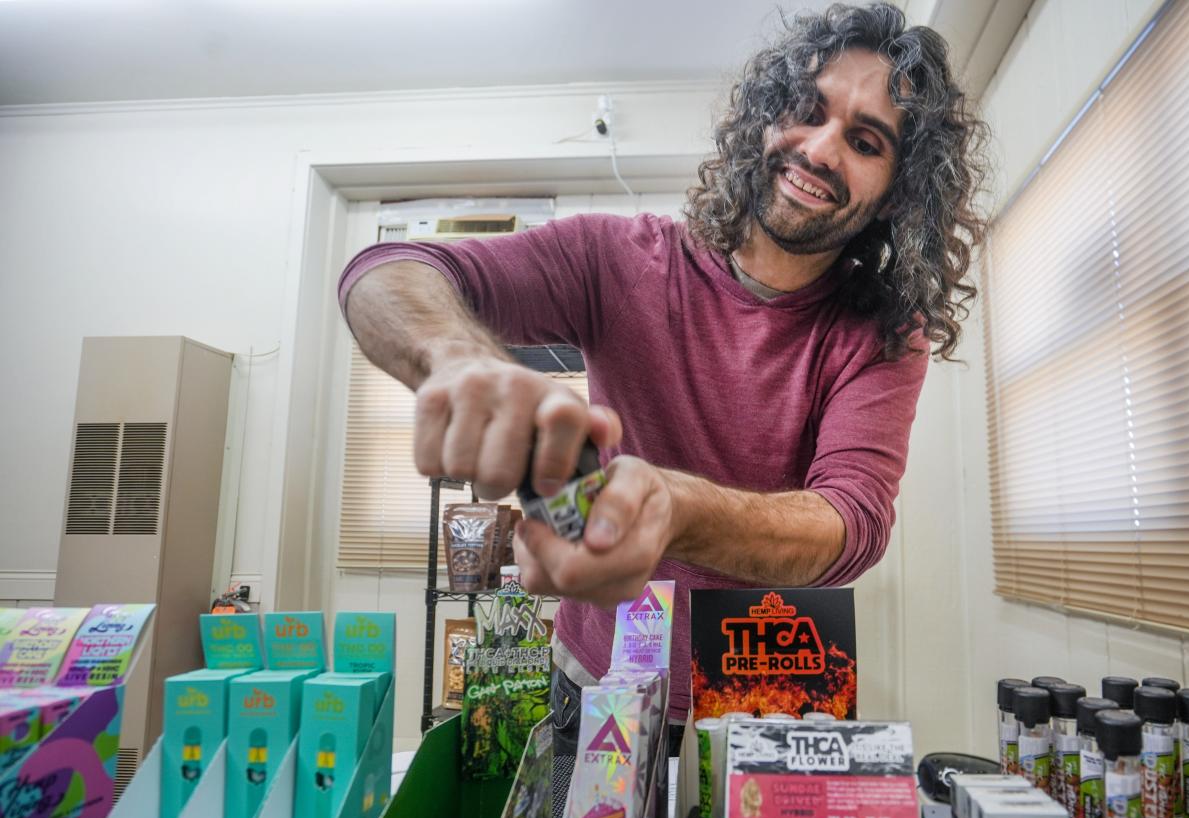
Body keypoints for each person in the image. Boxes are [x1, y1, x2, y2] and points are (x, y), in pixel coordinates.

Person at [338, 2, 989, 754]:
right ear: (766, 117)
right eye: (807, 111)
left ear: (898, 191)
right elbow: (387, 272)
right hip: (599, 678)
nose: (819, 149)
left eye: (865, 141)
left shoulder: (881, 333)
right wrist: (460, 358)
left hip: (773, 699)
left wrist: (672, 506)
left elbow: (851, 521)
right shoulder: (617, 259)